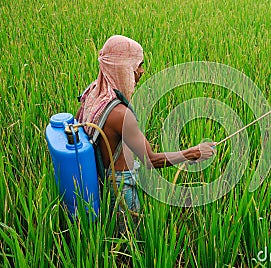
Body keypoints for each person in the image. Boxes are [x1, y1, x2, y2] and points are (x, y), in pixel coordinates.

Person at [76, 35, 216, 233]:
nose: (141, 71)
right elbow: (150, 160)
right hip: (120, 188)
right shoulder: (120, 115)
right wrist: (192, 153)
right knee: (131, 243)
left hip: (100, 180)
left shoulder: (93, 92)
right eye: (138, 65)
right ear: (123, 66)